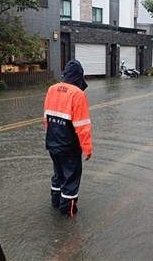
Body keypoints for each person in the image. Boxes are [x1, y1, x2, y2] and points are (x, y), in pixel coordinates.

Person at [44, 59, 92, 217]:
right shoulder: (78, 94)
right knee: (71, 178)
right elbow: (82, 125)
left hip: (52, 143)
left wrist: (50, 138)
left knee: (58, 175)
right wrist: (87, 149)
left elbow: (46, 118)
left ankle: (55, 203)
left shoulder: (52, 89)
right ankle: (67, 214)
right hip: (69, 146)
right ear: (79, 75)